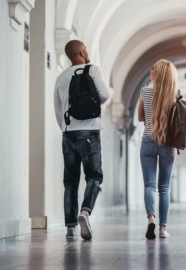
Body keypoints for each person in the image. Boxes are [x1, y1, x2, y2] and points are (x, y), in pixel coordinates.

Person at [54, 40, 110, 240]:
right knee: (94, 176)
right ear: (80, 51)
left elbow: (58, 110)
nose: (87, 51)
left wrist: (67, 128)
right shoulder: (92, 70)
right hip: (90, 131)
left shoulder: (60, 77)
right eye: (85, 48)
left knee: (70, 181)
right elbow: (105, 94)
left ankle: (70, 228)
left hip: (68, 133)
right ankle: (85, 212)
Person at [138, 59, 178, 239]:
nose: (151, 69)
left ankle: (151, 219)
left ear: (158, 73)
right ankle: (162, 229)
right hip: (167, 143)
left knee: (149, 185)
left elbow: (140, 117)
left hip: (148, 140)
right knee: (164, 188)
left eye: (153, 67)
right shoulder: (174, 95)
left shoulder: (145, 91)